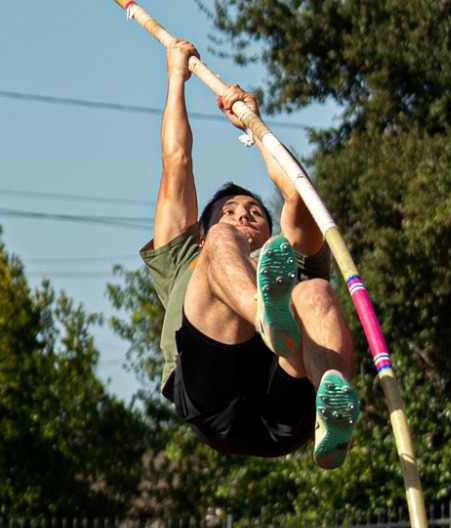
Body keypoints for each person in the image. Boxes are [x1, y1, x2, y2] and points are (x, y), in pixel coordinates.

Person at [139, 39, 359, 469]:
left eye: (256, 212)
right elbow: (176, 161)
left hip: (287, 408)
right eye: (231, 210)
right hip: (215, 402)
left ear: (269, 228)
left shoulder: (288, 260)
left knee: (315, 291)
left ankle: (333, 416)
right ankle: (263, 313)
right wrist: (176, 78)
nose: (244, 215)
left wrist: (254, 126)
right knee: (226, 244)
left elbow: (297, 192)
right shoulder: (187, 256)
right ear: (196, 235)